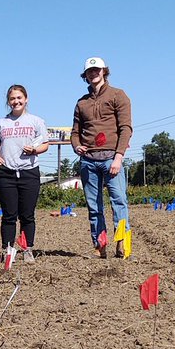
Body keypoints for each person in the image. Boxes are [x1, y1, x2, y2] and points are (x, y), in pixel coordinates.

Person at [71, 58, 132, 259]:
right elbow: (75, 132)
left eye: (97, 70)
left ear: (104, 71)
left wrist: (118, 157)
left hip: (110, 158)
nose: (93, 73)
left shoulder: (118, 95)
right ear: (85, 75)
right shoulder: (81, 102)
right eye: (89, 71)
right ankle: (100, 245)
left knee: (119, 201)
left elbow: (125, 128)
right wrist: (77, 145)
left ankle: (122, 243)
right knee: (94, 205)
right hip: (88, 160)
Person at [0, 85, 49, 262]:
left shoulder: (36, 121)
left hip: (29, 173)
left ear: (26, 99)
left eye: (19, 98)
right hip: (7, 174)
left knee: (27, 214)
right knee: (9, 215)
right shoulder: (1, 123)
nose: (16, 101)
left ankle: (27, 248)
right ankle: (8, 250)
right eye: (12, 99)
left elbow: (45, 144)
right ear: (8, 102)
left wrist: (35, 150)